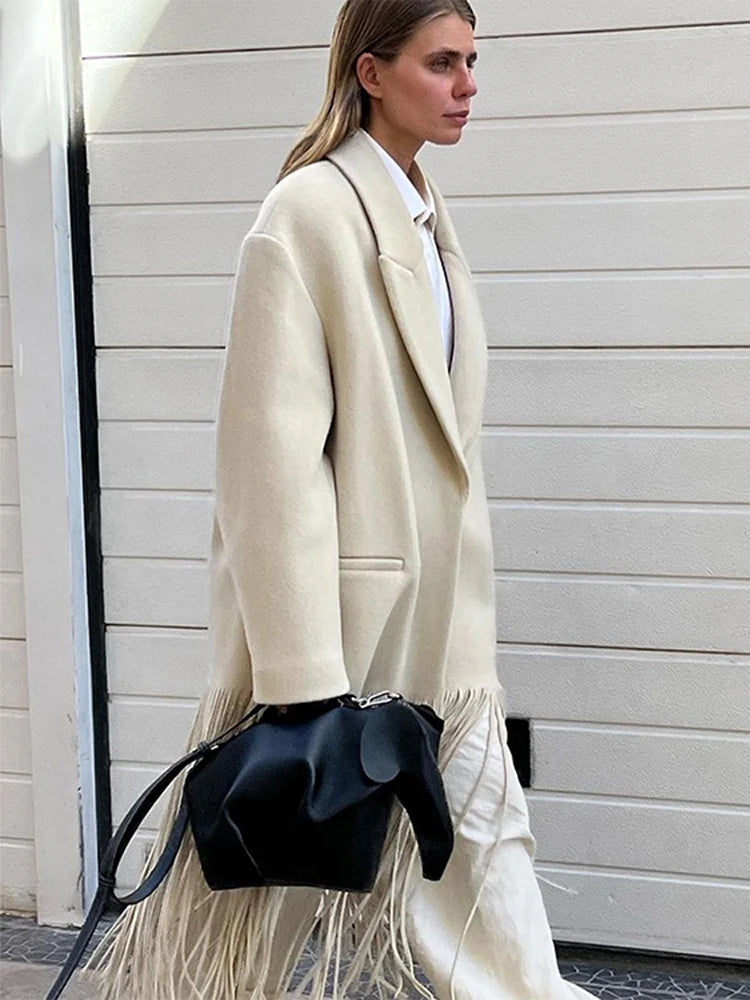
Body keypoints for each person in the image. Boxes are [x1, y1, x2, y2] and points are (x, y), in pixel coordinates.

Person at [92, 2, 598, 998]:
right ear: (371, 72)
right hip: (341, 634)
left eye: (472, 62)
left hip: (444, 642)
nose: (468, 85)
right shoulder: (307, 215)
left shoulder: (423, 213)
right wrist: (298, 675)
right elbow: (268, 460)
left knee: (487, 853)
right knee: (249, 899)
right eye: (442, 62)